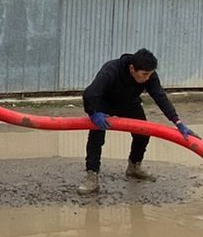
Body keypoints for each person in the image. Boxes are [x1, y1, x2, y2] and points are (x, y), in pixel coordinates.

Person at [77, 47, 194, 196]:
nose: (147, 78)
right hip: (104, 104)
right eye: (144, 75)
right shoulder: (111, 69)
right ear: (132, 68)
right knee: (96, 137)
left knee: (143, 134)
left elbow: (160, 97)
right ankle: (91, 176)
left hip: (129, 103)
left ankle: (134, 167)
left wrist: (177, 122)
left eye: (150, 75)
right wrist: (93, 113)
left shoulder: (149, 75)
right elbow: (90, 93)